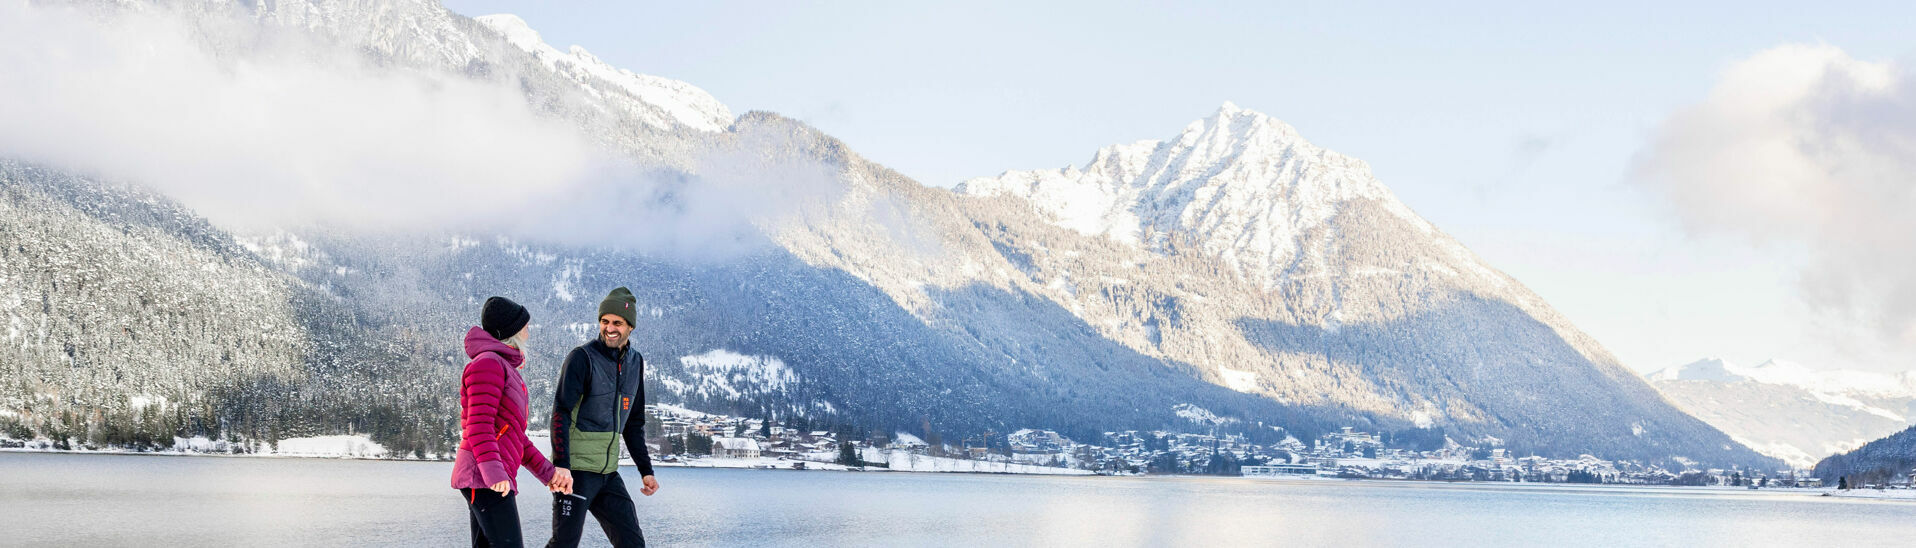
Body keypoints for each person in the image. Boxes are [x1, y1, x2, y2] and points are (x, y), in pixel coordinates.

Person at [452, 296, 573, 548]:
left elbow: (515, 437)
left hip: (490, 476)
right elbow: (478, 427)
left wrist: (549, 475)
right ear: (512, 331)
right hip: (484, 477)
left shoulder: (503, 367)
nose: (528, 332)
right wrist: (494, 474)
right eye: (524, 326)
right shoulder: (488, 364)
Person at [548, 287, 657, 548]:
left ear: (630, 327)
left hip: (608, 473)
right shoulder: (582, 358)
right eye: (605, 321)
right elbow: (560, 412)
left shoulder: (635, 362)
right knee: (564, 543)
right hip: (576, 473)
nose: (610, 328)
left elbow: (633, 423)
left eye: (617, 323)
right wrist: (561, 464)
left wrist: (646, 471)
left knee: (632, 543)